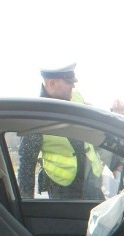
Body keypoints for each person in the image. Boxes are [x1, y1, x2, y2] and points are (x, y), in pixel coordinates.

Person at [17, 63, 104, 200]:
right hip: (63, 189)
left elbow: (95, 133)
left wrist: (115, 160)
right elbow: (26, 165)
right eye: (68, 82)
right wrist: (26, 202)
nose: (73, 86)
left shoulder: (77, 98)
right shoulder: (36, 116)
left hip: (91, 181)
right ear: (52, 83)